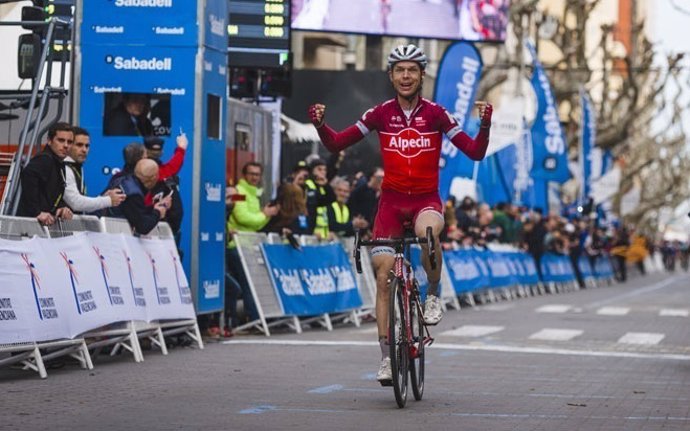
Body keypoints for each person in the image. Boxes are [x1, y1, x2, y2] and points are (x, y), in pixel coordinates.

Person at [309, 44, 493, 384]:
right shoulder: (380, 113)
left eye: (412, 70)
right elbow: (336, 144)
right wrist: (321, 126)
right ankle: (385, 358)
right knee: (383, 279)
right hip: (391, 204)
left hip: (425, 200)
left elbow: (475, 152)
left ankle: (433, 294)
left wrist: (484, 125)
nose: (406, 76)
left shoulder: (436, 114)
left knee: (428, 233)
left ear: (422, 75)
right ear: (391, 76)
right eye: (399, 71)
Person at [226, 162, 279, 327]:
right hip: (237, 247)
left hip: (247, 247)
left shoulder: (253, 194)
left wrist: (263, 216)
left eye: (257, 174)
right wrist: (264, 214)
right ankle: (255, 318)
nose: (254, 177)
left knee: (250, 285)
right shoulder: (239, 192)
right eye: (251, 174)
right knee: (248, 285)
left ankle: (255, 317)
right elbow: (243, 218)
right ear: (244, 175)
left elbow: (255, 224)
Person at [17, 122, 74, 225]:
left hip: (38, 226)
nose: (66, 145)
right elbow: (28, 175)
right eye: (61, 140)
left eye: (69, 142)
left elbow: (49, 195)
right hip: (29, 226)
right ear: (49, 141)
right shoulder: (45, 159)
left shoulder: (58, 164)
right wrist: (37, 212)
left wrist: (60, 208)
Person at [63, 127, 126, 214]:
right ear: (68, 145)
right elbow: (75, 203)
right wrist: (107, 200)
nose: (84, 150)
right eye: (79, 145)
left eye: (87, 146)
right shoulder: (64, 168)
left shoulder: (76, 166)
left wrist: (102, 198)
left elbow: (81, 206)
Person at [106, 159, 170, 235]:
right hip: (116, 237)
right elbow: (143, 227)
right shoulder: (133, 195)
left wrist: (154, 209)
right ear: (154, 178)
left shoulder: (121, 180)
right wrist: (158, 212)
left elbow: (136, 213)